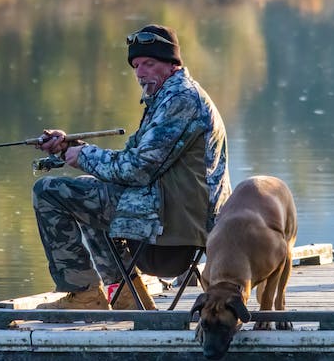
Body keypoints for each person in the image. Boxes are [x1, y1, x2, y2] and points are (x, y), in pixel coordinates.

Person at [32, 24, 231, 310]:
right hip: (173, 213)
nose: (140, 73)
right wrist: (68, 149)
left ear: (173, 64)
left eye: (149, 64)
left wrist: (83, 155)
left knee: (49, 190)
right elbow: (132, 160)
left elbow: (137, 170)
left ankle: (84, 294)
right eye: (136, 65)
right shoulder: (167, 98)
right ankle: (125, 295)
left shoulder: (181, 100)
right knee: (91, 190)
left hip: (177, 225)